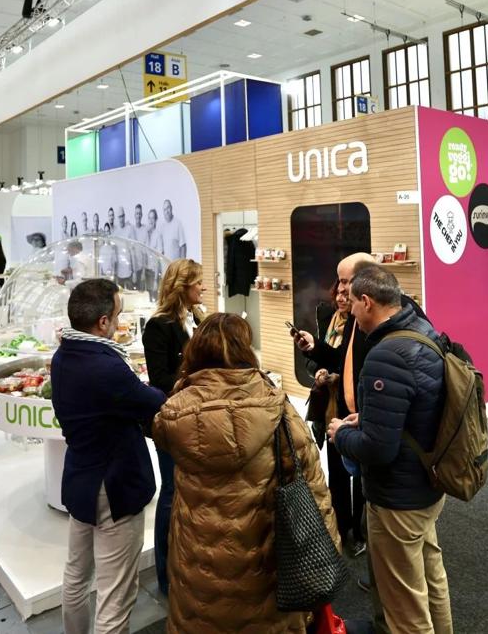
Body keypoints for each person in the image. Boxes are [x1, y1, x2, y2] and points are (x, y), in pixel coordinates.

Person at [153, 312, 336, 633]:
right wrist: (326, 551)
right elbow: (314, 489)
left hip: (199, 571)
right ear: (245, 350)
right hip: (267, 572)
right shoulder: (277, 410)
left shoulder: (173, 415)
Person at [330, 266, 452, 634]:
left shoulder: (386, 354)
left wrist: (340, 434)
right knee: (431, 583)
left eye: (351, 302)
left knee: (404, 608)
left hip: (398, 497)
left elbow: (378, 449)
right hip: (427, 485)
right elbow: (413, 411)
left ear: (367, 302)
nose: (348, 311)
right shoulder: (424, 331)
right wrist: (367, 417)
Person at [51, 279, 167, 634]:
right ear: (102, 322)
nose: (120, 321)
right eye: (118, 314)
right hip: (113, 486)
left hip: (80, 478)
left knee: (76, 575)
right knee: (115, 595)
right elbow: (153, 402)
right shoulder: (106, 366)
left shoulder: (63, 355)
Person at [294, 255, 374, 561]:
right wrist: (314, 348)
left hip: (362, 412)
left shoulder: (368, 322)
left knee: (363, 478)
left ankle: (364, 533)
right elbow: (338, 357)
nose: (341, 291)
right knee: (340, 471)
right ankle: (345, 529)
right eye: (338, 284)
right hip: (334, 406)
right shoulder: (332, 315)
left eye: (345, 283)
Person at [141, 258, 204, 597]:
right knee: (171, 494)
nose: (203, 288)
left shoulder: (192, 319)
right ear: (182, 286)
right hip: (172, 418)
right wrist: (196, 377)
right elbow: (160, 378)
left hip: (192, 416)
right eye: (197, 283)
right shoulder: (159, 325)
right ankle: (165, 576)